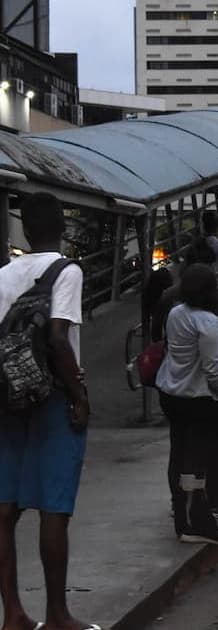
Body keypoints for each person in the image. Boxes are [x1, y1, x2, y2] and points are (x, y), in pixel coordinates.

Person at [0, 193, 97, 630]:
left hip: (8, 400)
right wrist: (78, 397)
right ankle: (58, 616)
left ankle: (14, 615)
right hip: (53, 399)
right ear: (62, 226)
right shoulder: (65, 270)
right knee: (54, 509)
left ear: (27, 230)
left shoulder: (2, 275)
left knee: (4, 509)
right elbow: (58, 338)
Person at [156, 264, 218, 545]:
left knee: (178, 455)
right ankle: (195, 521)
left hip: (172, 392)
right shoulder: (209, 323)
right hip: (199, 398)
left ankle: (182, 515)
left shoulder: (176, 314)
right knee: (198, 461)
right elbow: (214, 368)